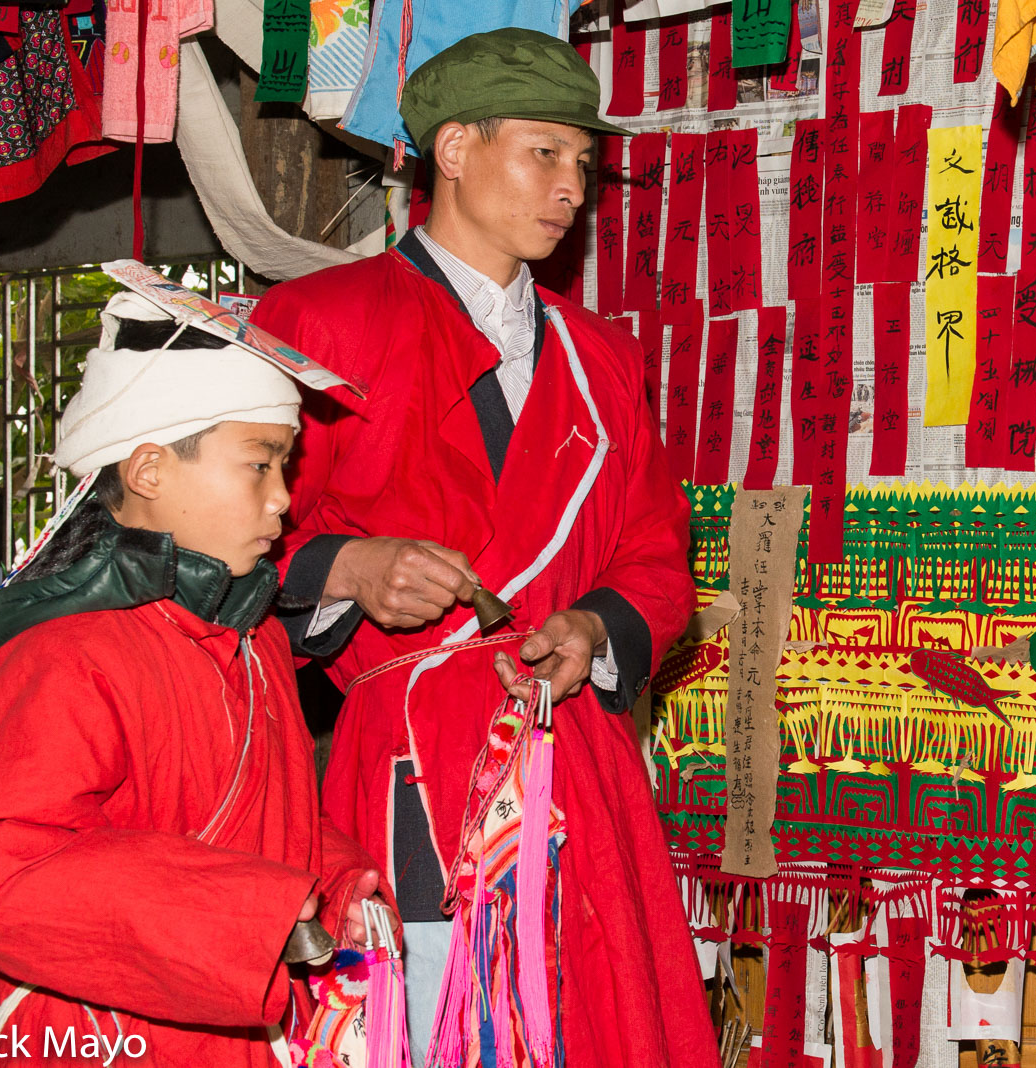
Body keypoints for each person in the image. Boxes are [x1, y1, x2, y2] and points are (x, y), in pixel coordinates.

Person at [248, 27, 718, 1067]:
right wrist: (349, 571)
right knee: (440, 1019)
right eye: (543, 153)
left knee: (592, 1016)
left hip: (576, 756)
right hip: (414, 753)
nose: (571, 188)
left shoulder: (602, 354)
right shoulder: (320, 320)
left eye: (584, 165)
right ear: (452, 149)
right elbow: (224, 544)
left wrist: (595, 625)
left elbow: (653, 548)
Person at [0, 293, 393, 1067]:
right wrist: (250, 915)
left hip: (242, 1026)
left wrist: (335, 884)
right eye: (259, 463)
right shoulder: (63, 655)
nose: (282, 497)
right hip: (108, 1035)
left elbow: (262, 824)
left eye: (284, 464)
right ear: (148, 469)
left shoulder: (255, 639)